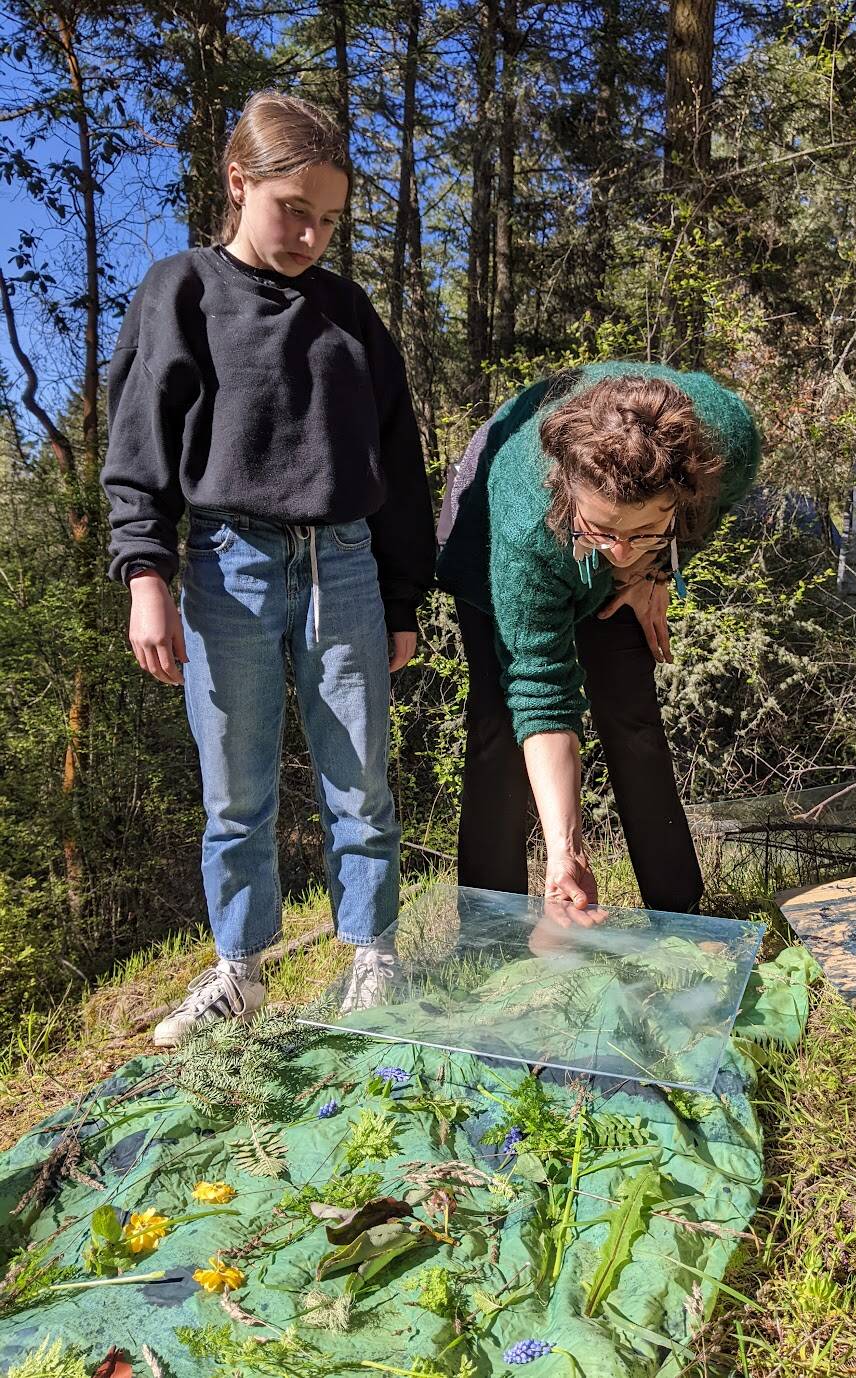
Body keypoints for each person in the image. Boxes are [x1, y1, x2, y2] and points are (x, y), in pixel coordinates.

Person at [101, 90, 435, 1046]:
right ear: (239, 183)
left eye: (329, 219)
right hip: (223, 565)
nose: (311, 234)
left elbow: (397, 463)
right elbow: (139, 447)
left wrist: (402, 594)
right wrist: (147, 577)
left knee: (361, 780)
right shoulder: (184, 290)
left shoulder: (350, 313)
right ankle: (240, 974)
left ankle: (374, 957)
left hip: (347, 570)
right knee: (235, 790)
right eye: (295, 209)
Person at [436, 363, 760, 920]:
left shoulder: (724, 438)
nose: (619, 551)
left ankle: (678, 908)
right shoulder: (527, 524)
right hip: (489, 538)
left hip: (608, 526)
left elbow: (710, 509)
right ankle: (493, 922)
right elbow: (541, 686)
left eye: (639, 530)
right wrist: (566, 849)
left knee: (631, 711)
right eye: (604, 532)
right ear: (569, 494)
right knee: (499, 725)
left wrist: (658, 567)